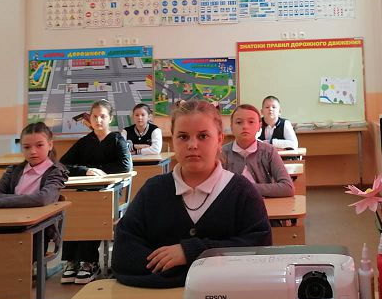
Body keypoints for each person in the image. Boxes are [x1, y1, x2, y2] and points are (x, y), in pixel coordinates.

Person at [111, 100, 272, 288]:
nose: (192, 145)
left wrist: (190, 253)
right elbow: (123, 256)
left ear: (219, 139)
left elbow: (259, 252)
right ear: (173, 140)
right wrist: (201, 271)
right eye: (183, 137)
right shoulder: (153, 191)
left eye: (203, 136)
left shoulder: (242, 192)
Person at [59, 99, 132, 284]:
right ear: (89, 118)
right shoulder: (84, 142)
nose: (98, 120)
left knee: (90, 210)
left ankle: (89, 261)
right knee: (72, 208)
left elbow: (125, 166)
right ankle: (71, 261)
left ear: (110, 119)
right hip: (84, 189)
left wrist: (98, 170)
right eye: (95, 116)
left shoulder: (117, 140)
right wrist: (85, 170)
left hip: (108, 191)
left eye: (103, 116)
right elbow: (62, 165)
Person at [0, 122, 68, 254]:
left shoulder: (56, 172)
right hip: (6, 224)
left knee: (15, 258)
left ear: (50, 145)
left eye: (39, 145)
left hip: (36, 230)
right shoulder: (14, 170)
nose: (33, 151)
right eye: (26, 147)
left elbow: (42, 199)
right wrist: (25, 200)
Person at [222, 104, 294, 198]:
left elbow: (288, 188)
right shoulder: (222, 153)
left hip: (263, 203)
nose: (245, 126)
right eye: (239, 122)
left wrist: (247, 188)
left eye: (251, 122)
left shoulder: (269, 151)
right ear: (231, 127)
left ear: (259, 126)